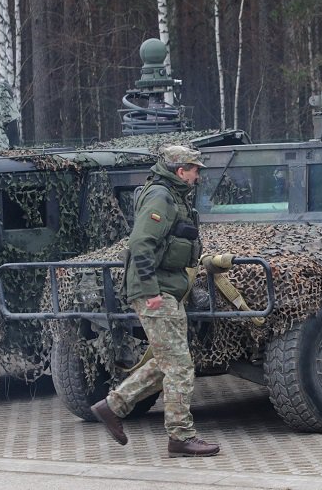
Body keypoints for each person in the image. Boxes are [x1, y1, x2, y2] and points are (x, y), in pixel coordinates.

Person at [90, 144, 220, 458]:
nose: (197, 175)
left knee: (168, 363)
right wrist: (150, 292)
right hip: (156, 293)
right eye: (194, 169)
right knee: (180, 367)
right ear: (180, 171)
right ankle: (180, 436)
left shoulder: (172, 196)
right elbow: (140, 243)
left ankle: (113, 405)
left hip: (167, 289)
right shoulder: (161, 197)